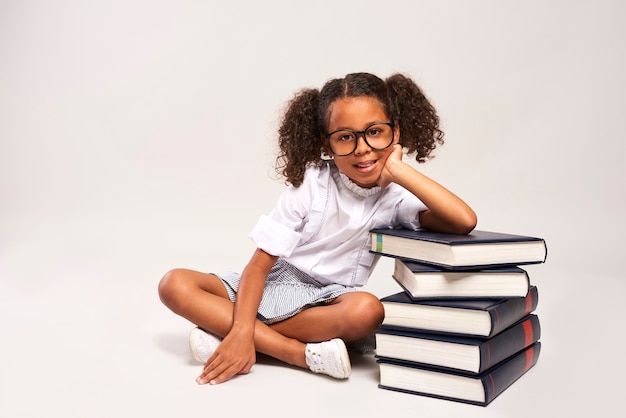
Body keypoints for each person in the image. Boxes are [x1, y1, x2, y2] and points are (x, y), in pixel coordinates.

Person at [158, 72, 477, 385]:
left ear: (396, 131)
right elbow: (258, 267)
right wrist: (243, 329)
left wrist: (397, 170)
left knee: (367, 311)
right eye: (345, 137)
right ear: (326, 143)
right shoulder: (312, 183)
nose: (362, 148)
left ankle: (225, 332)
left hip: (329, 303)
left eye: (375, 132)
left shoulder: (396, 199)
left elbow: (463, 221)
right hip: (275, 282)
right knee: (174, 284)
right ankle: (294, 353)